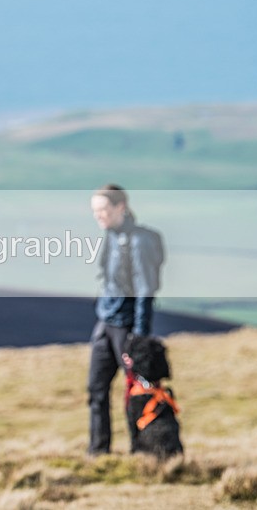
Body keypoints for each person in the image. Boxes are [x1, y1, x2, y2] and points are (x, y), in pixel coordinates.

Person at [87, 184, 164, 455]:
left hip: (128, 327)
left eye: (103, 209)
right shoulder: (110, 236)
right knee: (96, 389)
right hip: (105, 323)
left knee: (137, 390)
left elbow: (145, 290)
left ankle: (142, 450)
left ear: (121, 207)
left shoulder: (139, 242)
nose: (98, 215)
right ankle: (98, 452)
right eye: (95, 210)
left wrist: (139, 337)